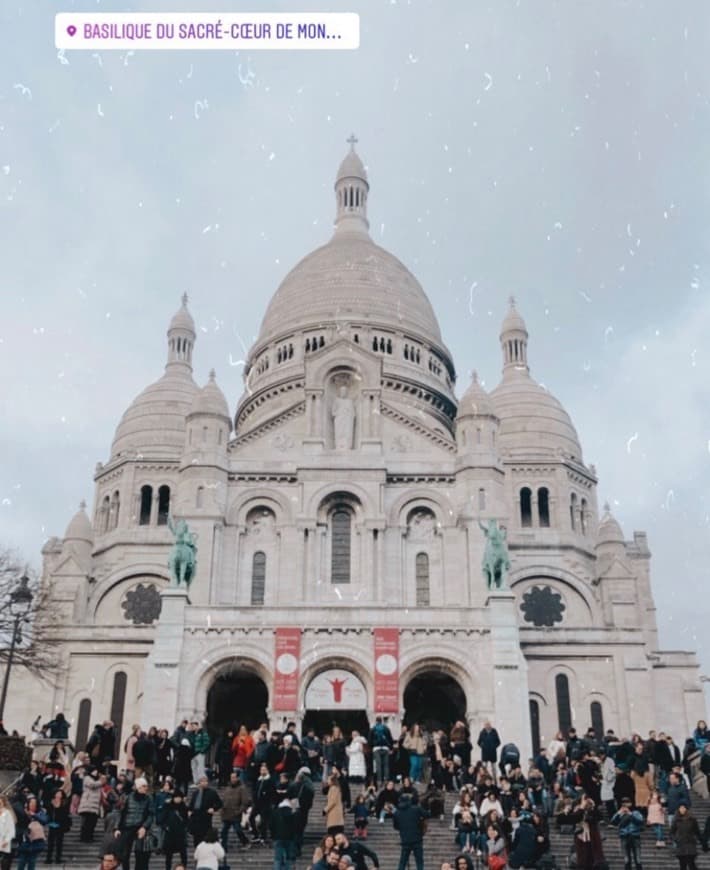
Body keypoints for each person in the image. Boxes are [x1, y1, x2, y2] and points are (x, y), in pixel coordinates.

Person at [114, 777, 154, 870]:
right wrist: (116, 828)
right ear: (138, 787)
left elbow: (151, 814)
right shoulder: (127, 797)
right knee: (124, 854)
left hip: (140, 828)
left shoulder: (149, 798)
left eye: (146, 786)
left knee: (141, 854)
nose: (146, 788)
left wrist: (144, 827)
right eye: (143, 786)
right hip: (127, 827)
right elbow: (120, 813)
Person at [392, 792, 426, 870]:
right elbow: (427, 814)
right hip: (417, 839)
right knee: (419, 862)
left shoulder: (397, 813)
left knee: (402, 862)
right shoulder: (416, 809)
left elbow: (395, 826)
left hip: (405, 840)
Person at [187, 776, 222, 848]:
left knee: (205, 836)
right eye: (202, 781)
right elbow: (192, 804)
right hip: (195, 817)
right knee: (196, 837)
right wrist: (189, 811)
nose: (204, 783)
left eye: (205, 781)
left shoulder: (212, 792)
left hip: (205, 817)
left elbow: (219, 803)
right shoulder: (195, 793)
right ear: (199, 783)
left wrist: (213, 808)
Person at [220, 771, 250, 851]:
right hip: (226, 813)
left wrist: (239, 811)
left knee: (238, 830)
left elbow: (245, 802)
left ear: (237, 778)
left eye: (234, 777)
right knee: (224, 831)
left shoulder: (242, 788)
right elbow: (224, 800)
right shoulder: (228, 788)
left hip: (236, 813)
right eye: (231, 777)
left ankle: (246, 842)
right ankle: (223, 846)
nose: (232, 779)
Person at [611, 797, 644, 870]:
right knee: (626, 860)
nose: (625, 804)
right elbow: (613, 822)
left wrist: (630, 814)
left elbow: (640, 821)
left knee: (638, 859)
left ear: (631, 803)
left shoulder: (636, 812)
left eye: (627, 802)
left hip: (635, 836)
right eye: (623, 803)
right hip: (624, 836)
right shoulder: (620, 813)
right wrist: (619, 813)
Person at [671, 803, 703, 870]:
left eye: (683, 808)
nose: (682, 809)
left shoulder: (692, 820)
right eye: (680, 808)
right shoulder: (676, 820)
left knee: (691, 864)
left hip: (690, 844)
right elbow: (672, 832)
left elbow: (697, 832)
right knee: (682, 866)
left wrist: (701, 841)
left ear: (686, 809)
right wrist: (676, 839)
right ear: (678, 809)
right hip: (681, 845)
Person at [270, 795, 296, 870]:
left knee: (278, 858)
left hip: (278, 837)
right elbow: (295, 826)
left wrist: (273, 835)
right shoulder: (292, 813)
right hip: (290, 838)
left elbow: (271, 825)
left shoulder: (275, 812)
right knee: (288, 858)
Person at [45, 789, 70, 864]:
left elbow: (65, 813)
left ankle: (58, 858)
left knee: (59, 842)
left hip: (60, 825)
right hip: (52, 824)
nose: (59, 795)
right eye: (57, 793)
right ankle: (48, 858)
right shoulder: (51, 802)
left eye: (60, 794)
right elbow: (48, 812)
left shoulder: (64, 802)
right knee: (50, 842)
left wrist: (59, 806)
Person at [79, 767, 102, 842]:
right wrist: (101, 782)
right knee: (87, 822)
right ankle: (84, 837)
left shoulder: (97, 779)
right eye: (94, 770)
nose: (96, 772)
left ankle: (89, 837)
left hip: (94, 805)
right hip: (87, 804)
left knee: (92, 823)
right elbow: (92, 785)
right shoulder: (87, 778)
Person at [368, 718, 393, 788]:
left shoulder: (373, 729)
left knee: (378, 765)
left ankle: (379, 781)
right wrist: (390, 748)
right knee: (386, 765)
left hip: (376, 748)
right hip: (385, 748)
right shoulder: (386, 728)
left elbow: (369, 740)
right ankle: (386, 780)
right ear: (381, 721)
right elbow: (390, 738)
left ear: (376, 721)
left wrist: (371, 747)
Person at [0, 795, 16, 870]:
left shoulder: (7, 813)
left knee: (4, 865)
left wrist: (6, 840)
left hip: (4, 843)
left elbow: (11, 829)